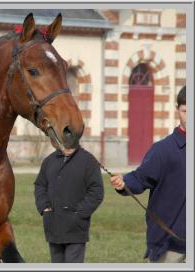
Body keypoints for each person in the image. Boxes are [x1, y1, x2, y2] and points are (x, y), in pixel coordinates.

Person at [110, 86, 186, 263]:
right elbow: (139, 178)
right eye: (185, 111)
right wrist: (124, 182)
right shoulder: (163, 150)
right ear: (177, 111)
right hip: (170, 246)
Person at [34, 146, 104, 263]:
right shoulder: (49, 160)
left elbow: (96, 191)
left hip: (76, 227)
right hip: (53, 224)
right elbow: (40, 185)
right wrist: (44, 207)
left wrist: (80, 213)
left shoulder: (88, 161)